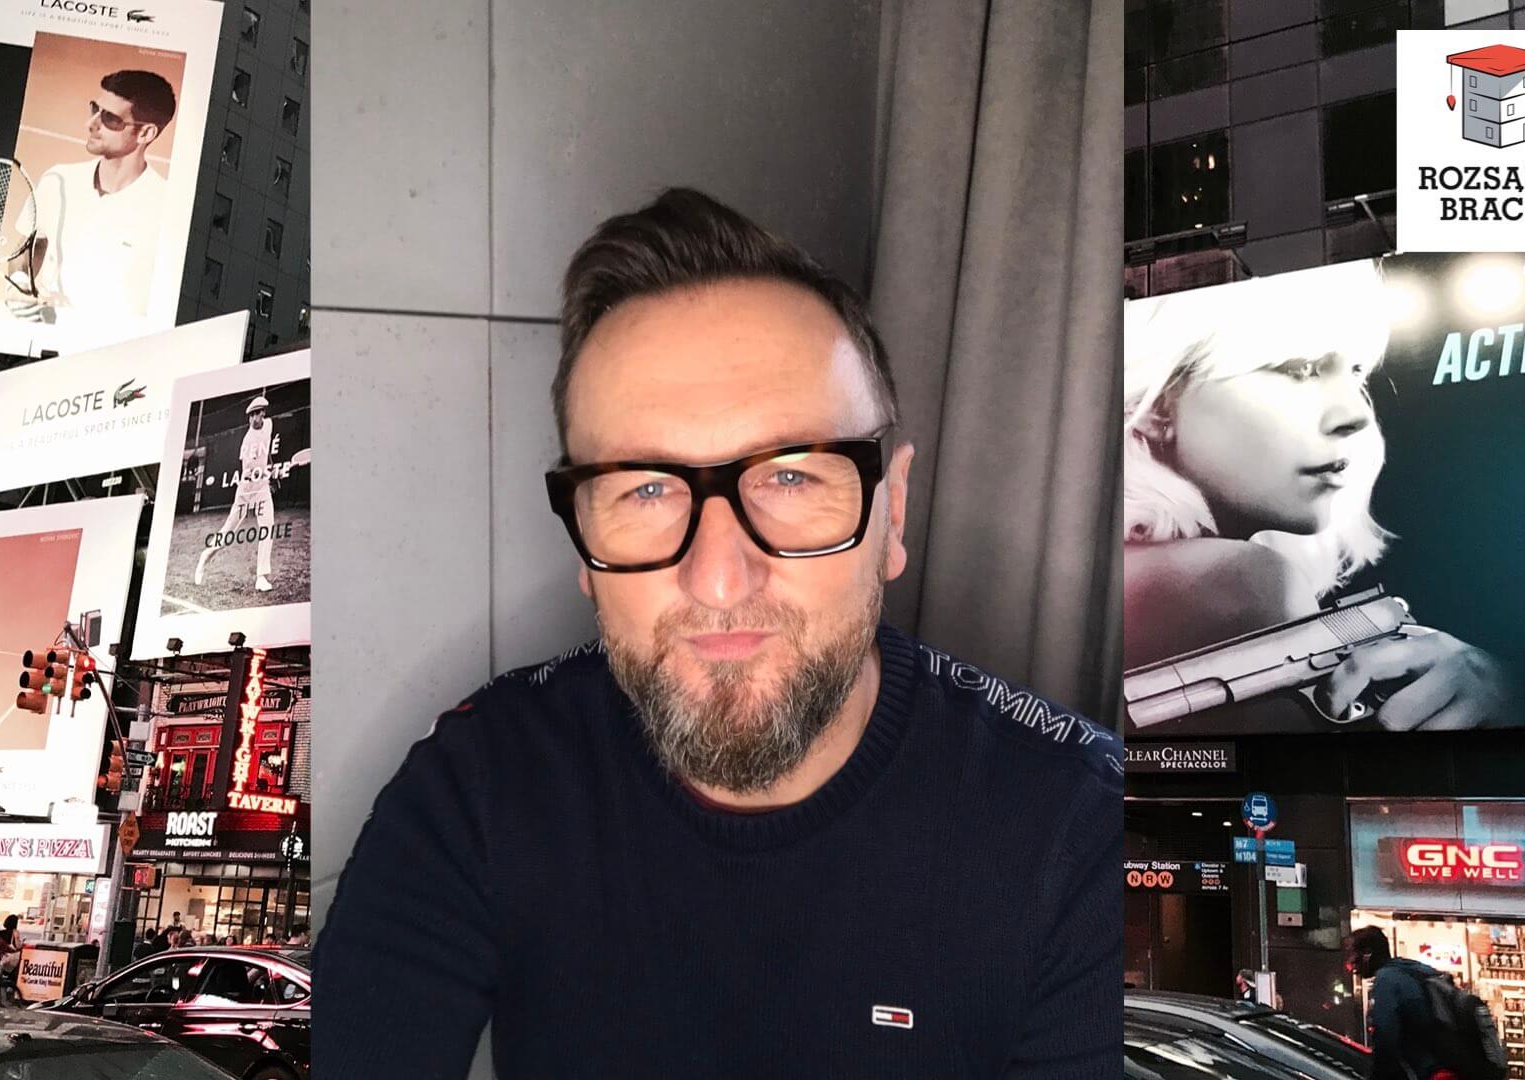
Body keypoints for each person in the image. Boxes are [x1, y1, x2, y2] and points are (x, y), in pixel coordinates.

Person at [318, 189, 1123, 1077]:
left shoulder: (1081, 834)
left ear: (891, 513)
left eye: (790, 477)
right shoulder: (480, 784)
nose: (719, 578)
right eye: (646, 490)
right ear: (583, 544)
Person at [1122, 262, 1509, 731]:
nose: (1356, 414)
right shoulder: (1243, 581)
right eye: (1300, 368)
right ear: (1158, 405)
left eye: (1357, 373)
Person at [5, 70, 176, 326]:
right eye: (95, 109)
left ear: (145, 133)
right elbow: (27, 248)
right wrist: (18, 286)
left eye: (110, 118)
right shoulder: (57, 180)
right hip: (41, 339)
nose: (91, 123)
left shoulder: (168, 210)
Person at [194, 394, 280, 592]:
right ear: (250, 417)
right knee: (228, 533)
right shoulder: (247, 442)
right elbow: (250, 473)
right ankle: (205, 556)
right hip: (246, 491)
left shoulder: (268, 425)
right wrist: (270, 474)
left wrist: (271, 471)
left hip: (262, 489)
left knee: (268, 527)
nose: (258, 417)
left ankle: (261, 577)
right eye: (254, 414)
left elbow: (267, 453)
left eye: (260, 413)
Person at [1346, 926, 1448, 1080]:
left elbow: (1386, 1036)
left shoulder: (1386, 979)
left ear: (1367, 954)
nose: (1350, 963)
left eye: (1353, 954)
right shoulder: (1411, 970)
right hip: (1438, 1067)